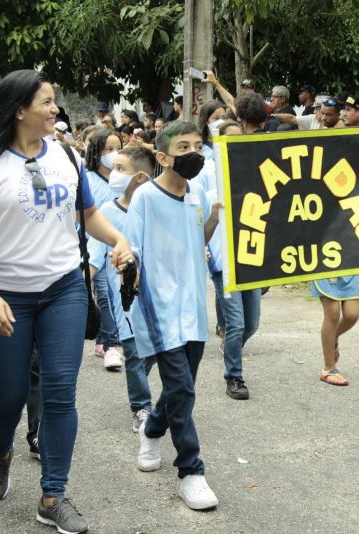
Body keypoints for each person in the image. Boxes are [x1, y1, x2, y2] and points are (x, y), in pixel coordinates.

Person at [0, 69, 133, 533]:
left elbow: (87, 213)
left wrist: (117, 240)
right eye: (47, 102)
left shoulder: (66, 157)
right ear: (19, 109)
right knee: (9, 397)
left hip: (63, 289)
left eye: (54, 101)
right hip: (7, 296)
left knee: (58, 393)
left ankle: (53, 495)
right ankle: (0, 451)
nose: (56, 110)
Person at [126, 120, 221, 510]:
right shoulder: (146, 197)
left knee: (181, 388)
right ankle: (191, 471)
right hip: (159, 305)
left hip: (192, 305)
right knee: (181, 387)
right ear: (163, 157)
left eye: (198, 145)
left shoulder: (197, 193)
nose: (193, 153)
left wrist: (214, 216)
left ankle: (151, 428)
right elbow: (132, 247)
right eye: (183, 147)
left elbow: (197, 239)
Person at [89, 146, 156, 430]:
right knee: (134, 350)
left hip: (157, 296)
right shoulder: (107, 210)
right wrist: (82, 285)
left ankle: (144, 388)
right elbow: (94, 252)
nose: (113, 174)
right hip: (124, 299)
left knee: (152, 352)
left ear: (140, 177)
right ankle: (141, 406)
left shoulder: (156, 207)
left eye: (120, 169)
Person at [201, 120, 261, 400]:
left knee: (251, 325)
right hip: (225, 267)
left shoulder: (258, 186)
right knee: (236, 323)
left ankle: (231, 344)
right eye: (230, 139)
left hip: (253, 263)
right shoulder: (211, 191)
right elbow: (200, 233)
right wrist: (213, 218)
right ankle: (234, 376)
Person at [84, 128, 125, 370]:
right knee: (104, 294)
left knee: (115, 293)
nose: (114, 153)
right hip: (92, 248)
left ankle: (107, 340)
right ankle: (109, 344)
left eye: (117, 147)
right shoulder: (87, 179)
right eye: (108, 149)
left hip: (117, 245)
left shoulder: (122, 179)